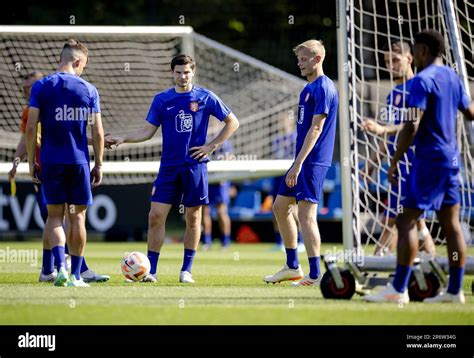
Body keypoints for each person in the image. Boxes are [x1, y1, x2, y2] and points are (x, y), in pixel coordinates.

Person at [365, 30, 474, 304]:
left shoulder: (420, 82)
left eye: (415, 50)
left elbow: (412, 125)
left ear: (423, 51)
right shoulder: (453, 78)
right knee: (452, 225)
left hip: (428, 161)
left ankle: (398, 289)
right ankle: (454, 291)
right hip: (452, 160)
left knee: (405, 220)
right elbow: (471, 113)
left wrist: (395, 160)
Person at [108, 54, 239, 283]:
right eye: (178, 72)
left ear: (193, 71)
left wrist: (211, 146)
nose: (182, 76)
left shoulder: (205, 97)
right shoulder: (162, 100)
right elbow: (147, 132)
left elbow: (233, 122)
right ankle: (152, 271)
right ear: (172, 73)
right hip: (168, 168)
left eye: (186, 72)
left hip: (195, 167)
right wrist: (124, 138)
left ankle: (186, 270)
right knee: (155, 216)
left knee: (194, 218)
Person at [10, 71, 109, 284]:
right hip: (69, 164)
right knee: (72, 218)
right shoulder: (84, 91)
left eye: (28, 87)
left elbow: (34, 133)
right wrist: (18, 163)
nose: (26, 91)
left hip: (47, 166)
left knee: (54, 219)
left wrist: (26, 164)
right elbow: (28, 136)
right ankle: (72, 271)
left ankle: (53, 269)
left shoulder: (41, 103)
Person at [263, 39, 338, 286]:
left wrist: (298, 164)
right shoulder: (307, 89)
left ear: (318, 59)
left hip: (312, 161)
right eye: (298, 59)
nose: (299, 64)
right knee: (279, 208)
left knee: (306, 215)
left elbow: (316, 130)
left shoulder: (324, 88)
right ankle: (292, 266)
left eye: (304, 59)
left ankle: (316, 274)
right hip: (302, 161)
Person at [361, 41, 436, 258]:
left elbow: (413, 125)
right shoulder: (393, 95)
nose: (390, 65)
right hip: (398, 167)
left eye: (394, 60)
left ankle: (372, 270)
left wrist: (383, 129)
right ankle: (435, 266)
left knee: (391, 220)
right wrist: (372, 164)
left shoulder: (418, 87)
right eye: (386, 61)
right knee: (415, 222)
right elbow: (392, 137)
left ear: (409, 59)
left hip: (415, 164)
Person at [269, 113, 305, 253]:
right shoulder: (276, 140)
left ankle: (300, 240)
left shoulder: (295, 138)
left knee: (293, 209)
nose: (281, 123)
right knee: (276, 209)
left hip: (291, 175)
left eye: (284, 120)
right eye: (279, 121)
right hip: (277, 176)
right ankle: (280, 241)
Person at [201, 140, 233, 250]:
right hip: (207, 178)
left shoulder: (225, 142)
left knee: (221, 211)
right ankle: (206, 241)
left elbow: (229, 159)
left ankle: (225, 241)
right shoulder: (204, 139)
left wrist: (223, 175)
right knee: (204, 211)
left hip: (220, 180)